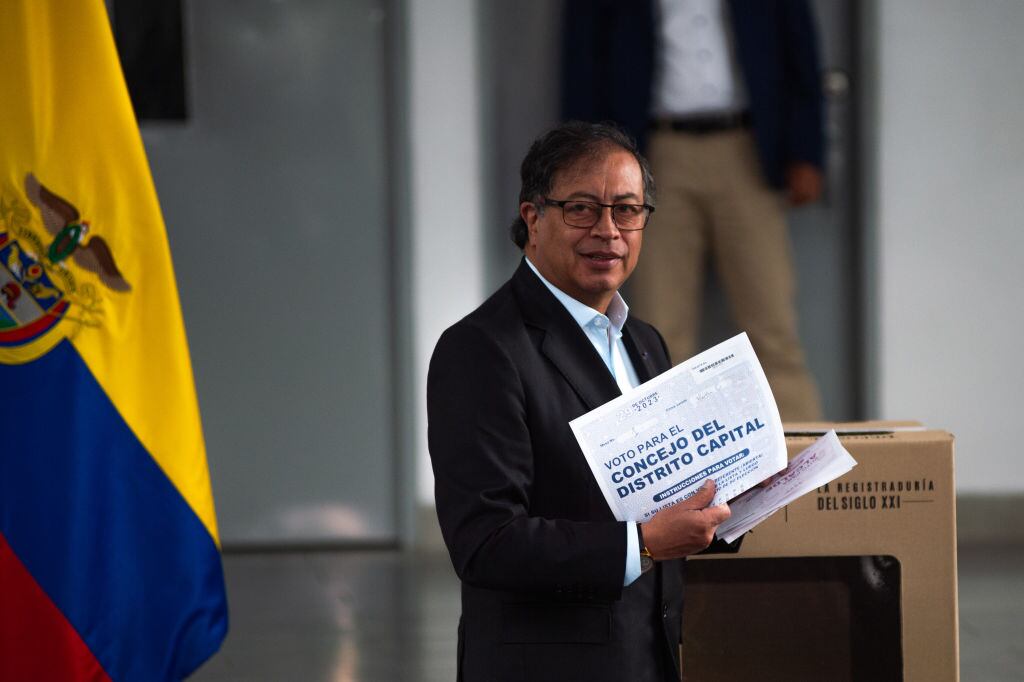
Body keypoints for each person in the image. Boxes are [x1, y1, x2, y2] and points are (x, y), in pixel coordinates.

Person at [427, 122, 740, 682]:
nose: (609, 231)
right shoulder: (479, 350)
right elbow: (486, 542)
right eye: (580, 209)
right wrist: (641, 545)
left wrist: (731, 493)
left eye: (627, 209)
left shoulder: (645, 341)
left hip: (648, 656)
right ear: (532, 220)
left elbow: (657, 494)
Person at [561, 0, 826, 421]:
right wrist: (588, 165)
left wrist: (807, 151)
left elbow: (799, 49)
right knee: (657, 330)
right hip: (649, 151)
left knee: (772, 325)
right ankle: (668, 476)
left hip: (748, 149)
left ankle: (806, 476)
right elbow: (583, 60)